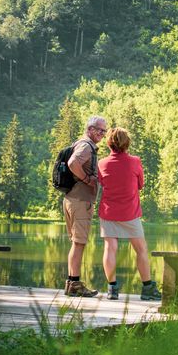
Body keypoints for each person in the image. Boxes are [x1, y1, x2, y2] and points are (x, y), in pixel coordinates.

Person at [97, 126, 161, 301]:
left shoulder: (102, 163)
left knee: (110, 248)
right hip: (130, 213)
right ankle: (147, 288)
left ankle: (112, 289)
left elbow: (102, 182)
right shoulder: (135, 162)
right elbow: (140, 184)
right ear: (127, 143)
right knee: (141, 249)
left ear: (109, 144)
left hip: (108, 212)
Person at [63, 115, 107, 297]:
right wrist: (87, 179)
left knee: (76, 243)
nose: (102, 134)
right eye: (99, 130)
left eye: (104, 131)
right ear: (89, 129)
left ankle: (71, 283)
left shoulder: (79, 144)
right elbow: (73, 163)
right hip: (80, 201)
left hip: (72, 199)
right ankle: (74, 285)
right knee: (79, 243)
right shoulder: (86, 146)